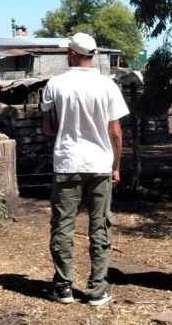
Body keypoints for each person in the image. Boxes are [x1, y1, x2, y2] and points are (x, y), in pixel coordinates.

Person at [41, 33, 129, 306]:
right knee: (100, 225)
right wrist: (115, 166)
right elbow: (115, 132)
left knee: (63, 225)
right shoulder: (108, 85)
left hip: (67, 163)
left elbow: (47, 127)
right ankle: (97, 289)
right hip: (100, 164)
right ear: (92, 54)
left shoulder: (54, 84)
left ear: (71, 54)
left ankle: (63, 286)